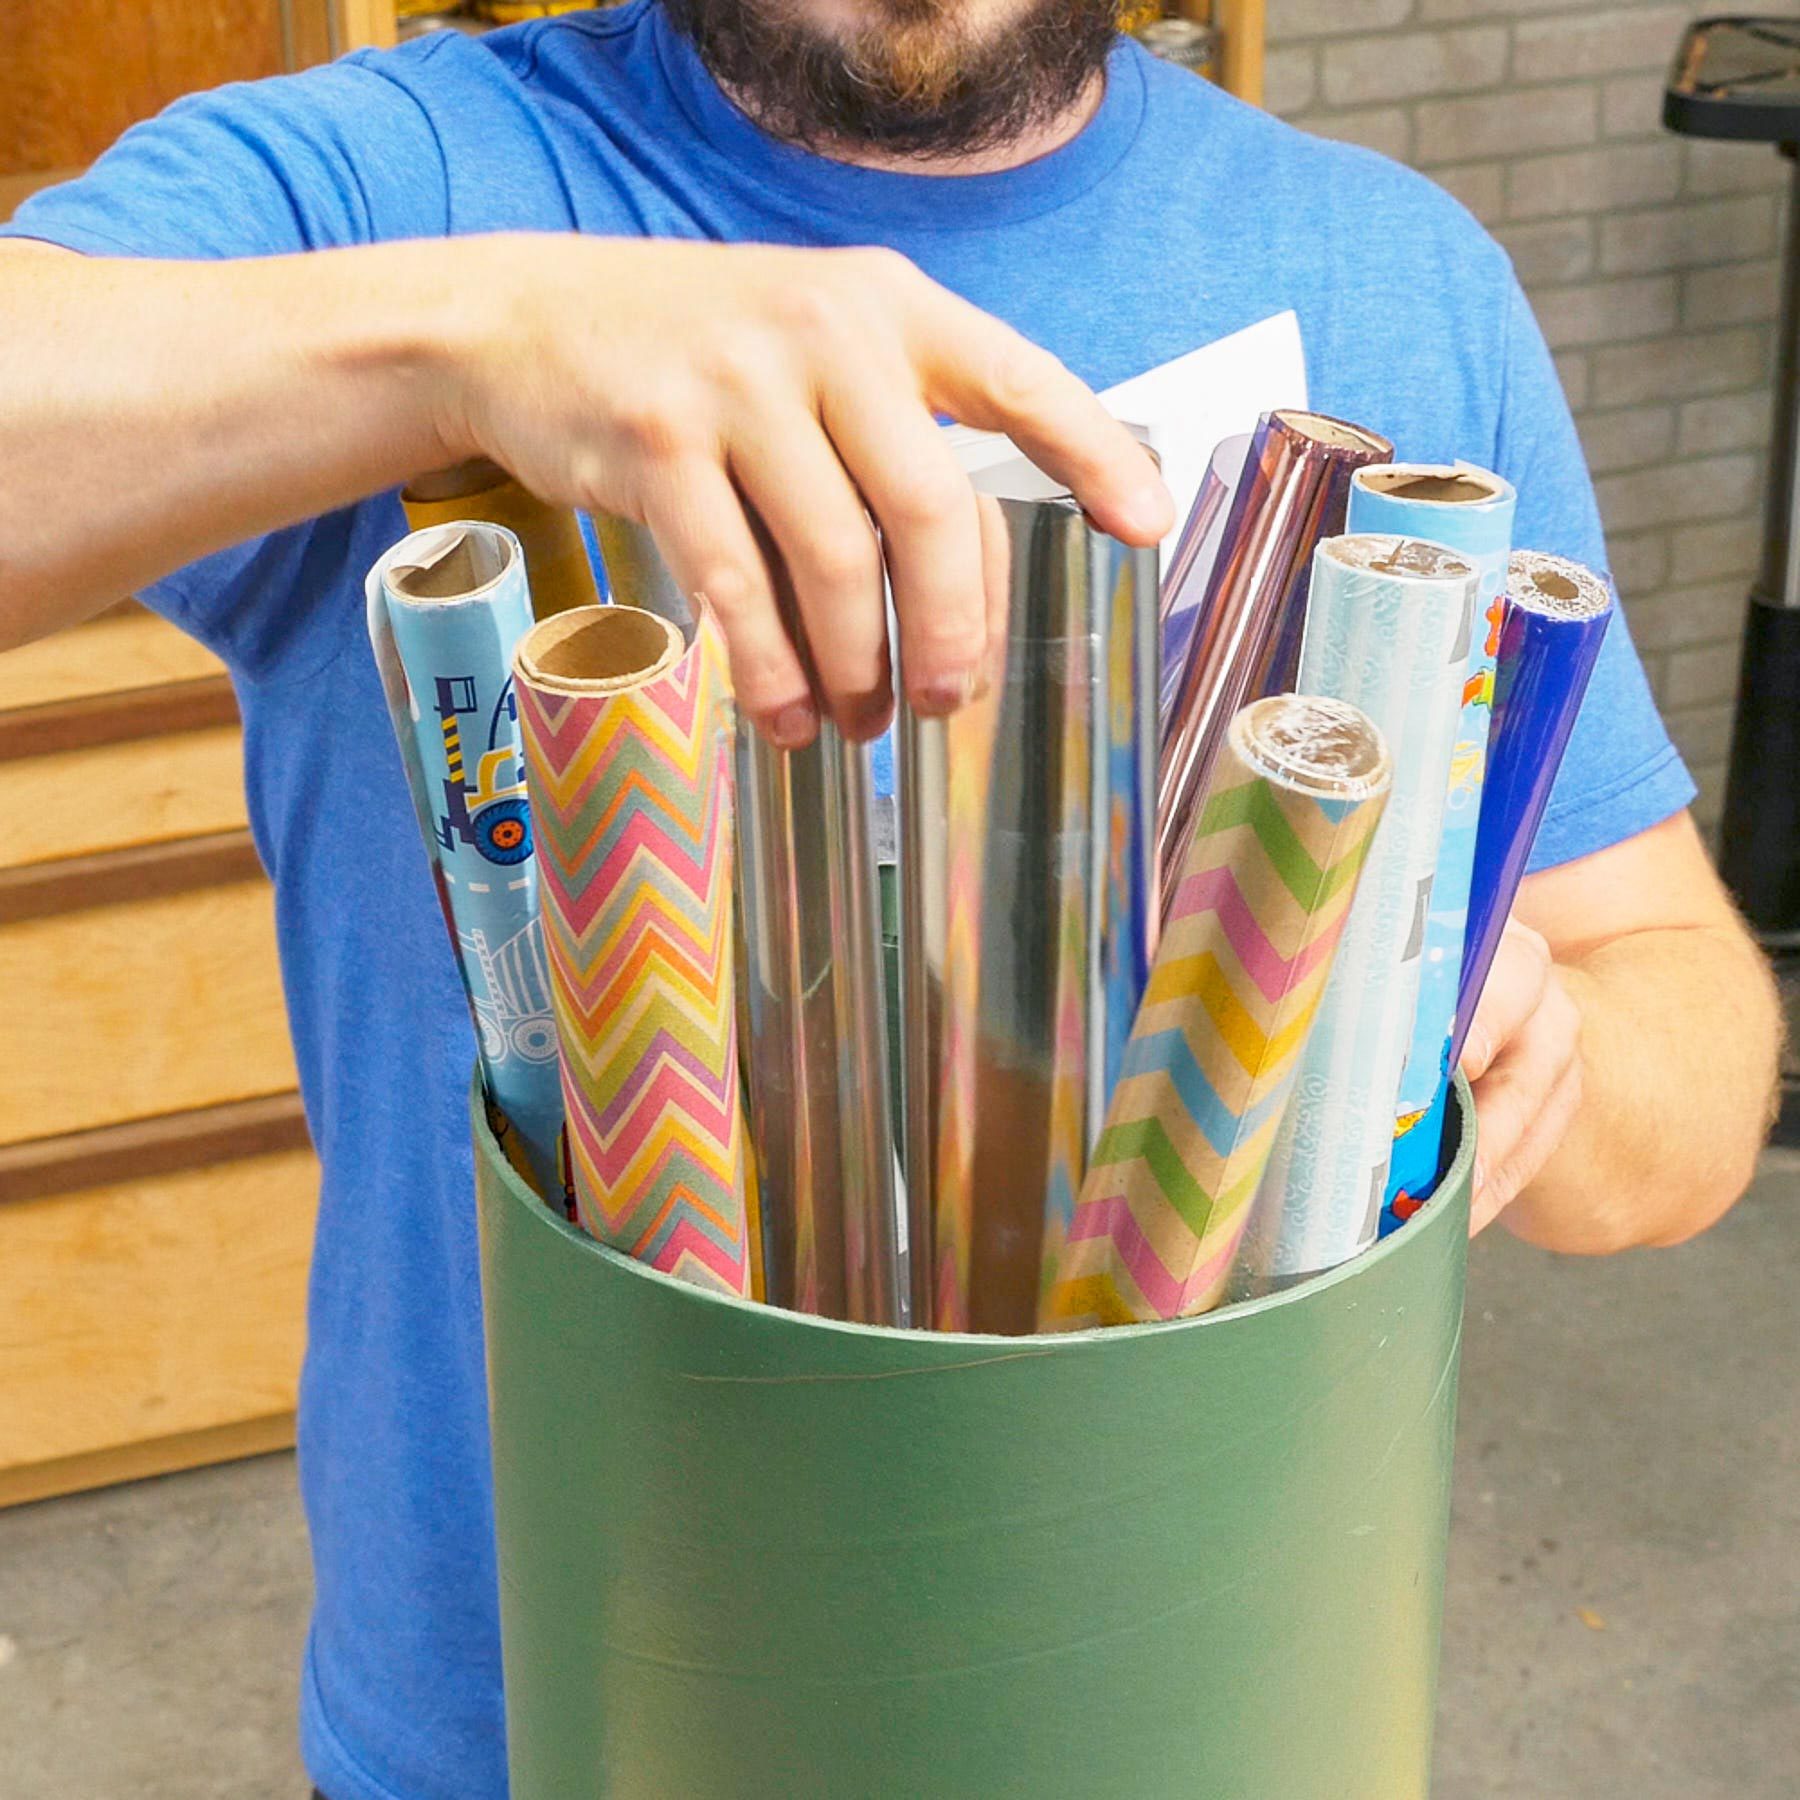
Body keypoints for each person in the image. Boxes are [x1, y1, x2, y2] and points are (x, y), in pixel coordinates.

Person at [0, 0, 1780, 1793]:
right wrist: (475, 334)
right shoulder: (382, 184)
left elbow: (1685, 1047)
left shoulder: (1393, 269)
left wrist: (1529, 1038)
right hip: (550, 1732)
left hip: (1202, 1715)